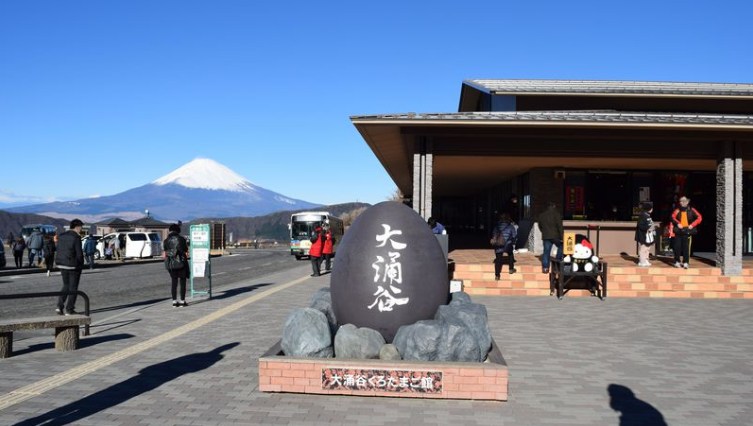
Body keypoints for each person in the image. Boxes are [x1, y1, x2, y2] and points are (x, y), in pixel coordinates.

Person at [55, 219, 85, 315]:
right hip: (72, 265)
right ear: (77, 227)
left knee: (66, 285)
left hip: (61, 263)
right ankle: (69, 309)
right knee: (73, 288)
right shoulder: (76, 237)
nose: (81, 229)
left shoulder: (62, 236)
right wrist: (81, 264)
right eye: (81, 227)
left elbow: (58, 249)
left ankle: (59, 306)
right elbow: (79, 254)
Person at [670, 196, 702, 269]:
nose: (682, 202)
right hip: (678, 231)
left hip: (687, 231)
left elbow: (699, 217)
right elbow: (672, 217)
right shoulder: (677, 210)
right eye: (681, 201)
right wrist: (678, 223)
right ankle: (677, 261)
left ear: (687, 202)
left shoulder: (692, 210)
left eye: (684, 201)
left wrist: (692, 225)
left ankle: (686, 262)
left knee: (686, 248)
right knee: (677, 247)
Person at [163, 223, 190, 307]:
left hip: (171, 263)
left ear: (170, 230)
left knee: (174, 282)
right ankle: (182, 301)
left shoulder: (166, 241)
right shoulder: (181, 239)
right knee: (182, 282)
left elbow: (165, 250)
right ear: (178, 230)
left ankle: (174, 301)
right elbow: (185, 249)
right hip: (181, 262)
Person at [538, 201, 564, 274]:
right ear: (554, 206)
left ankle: (545, 268)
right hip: (556, 236)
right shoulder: (557, 214)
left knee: (546, 252)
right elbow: (560, 227)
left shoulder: (542, 215)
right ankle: (557, 262)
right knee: (561, 246)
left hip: (546, 236)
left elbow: (540, 226)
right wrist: (562, 237)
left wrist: (544, 232)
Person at [491, 213, 517, 279]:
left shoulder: (496, 226)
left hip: (498, 244)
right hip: (508, 244)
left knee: (498, 259)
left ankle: (497, 275)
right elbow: (514, 235)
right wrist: (513, 242)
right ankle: (511, 268)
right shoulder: (510, 226)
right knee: (510, 254)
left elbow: (493, 234)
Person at [634, 202, 657, 267]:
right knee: (643, 248)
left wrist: (652, 228)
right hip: (643, 235)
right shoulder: (642, 215)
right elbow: (640, 225)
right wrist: (647, 228)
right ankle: (641, 261)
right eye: (651, 208)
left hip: (648, 235)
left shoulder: (647, 215)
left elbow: (650, 223)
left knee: (647, 248)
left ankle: (646, 259)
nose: (652, 209)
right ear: (649, 209)